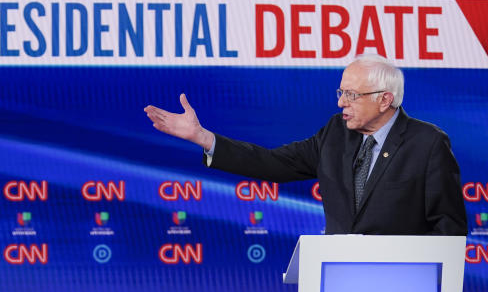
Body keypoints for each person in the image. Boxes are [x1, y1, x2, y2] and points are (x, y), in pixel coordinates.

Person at [144, 54, 467, 236]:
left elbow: (449, 225)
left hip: (405, 283)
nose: (342, 103)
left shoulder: (427, 143)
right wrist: (203, 138)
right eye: (341, 93)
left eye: (352, 95)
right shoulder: (336, 134)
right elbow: (274, 163)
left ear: (385, 99)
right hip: (338, 274)